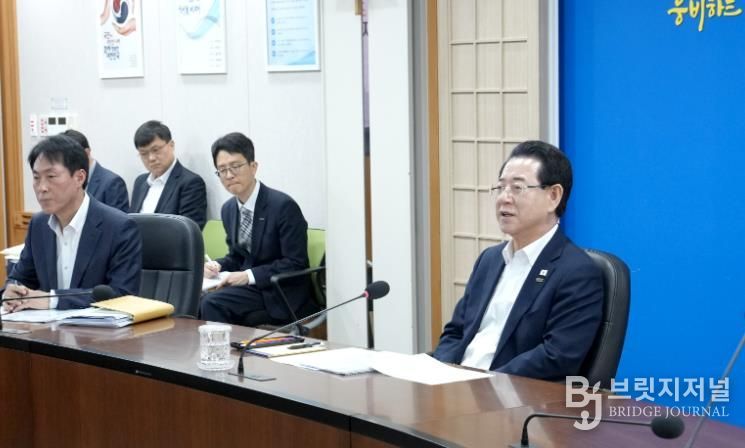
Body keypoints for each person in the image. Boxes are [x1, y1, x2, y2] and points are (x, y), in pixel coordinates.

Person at [432, 140, 603, 381]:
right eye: (501, 187)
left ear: (553, 196)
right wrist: (439, 373)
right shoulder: (489, 260)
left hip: (510, 394)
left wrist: (483, 383)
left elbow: (557, 356)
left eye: (517, 188)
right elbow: (456, 333)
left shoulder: (577, 271)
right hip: (456, 385)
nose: (504, 198)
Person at [2, 135, 142, 312]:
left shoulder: (119, 227)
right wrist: (13, 291)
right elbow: (21, 278)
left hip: (98, 329)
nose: (42, 187)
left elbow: (122, 294)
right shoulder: (39, 224)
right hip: (45, 327)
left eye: (51, 176)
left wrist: (52, 301)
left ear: (79, 178)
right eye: (36, 178)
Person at [200, 132, 313, 325]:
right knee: (195, 298)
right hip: (250, 288)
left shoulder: (283, 206)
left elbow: (296, 262)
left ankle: (223, 346)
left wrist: (248, 276)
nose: (229, 175)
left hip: (280, 291)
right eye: (222, 170)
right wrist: (218, 266)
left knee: (212, 303)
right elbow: (238, 256)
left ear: (253, 167)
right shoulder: (229, 209)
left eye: (235, 166)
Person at [130, 120, 207, 229]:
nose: (151, 158)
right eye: (144, 153)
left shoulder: (190, 183)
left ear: (171, 145)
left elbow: (189, 231)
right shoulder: (140, 182)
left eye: (156, 150)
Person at [62, 129, 129, 213]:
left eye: (69, 158)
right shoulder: (64, 181)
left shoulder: (112, 183)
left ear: (86, 153)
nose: (64, 163)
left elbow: (119, 219)